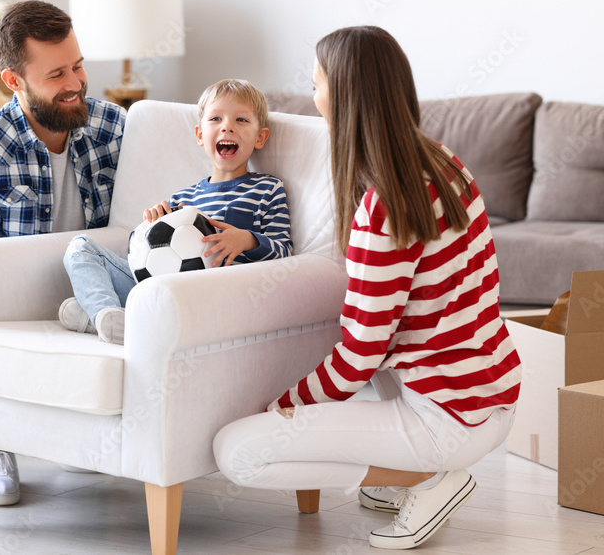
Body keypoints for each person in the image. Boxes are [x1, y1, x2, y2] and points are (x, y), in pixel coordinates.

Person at [212, 27, 522, 551]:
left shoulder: (384, 205)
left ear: (344, 95)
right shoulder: (445, 164)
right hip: (493, 392)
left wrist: (284, 406)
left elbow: (360, 354)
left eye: (316, 85)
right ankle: (406, 470)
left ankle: (428, 478)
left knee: (237, 451)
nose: (313, 97)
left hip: (447, 418)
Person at [0, 0, 126, 507]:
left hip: (93, 294)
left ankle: (70, 429)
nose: (76, 83)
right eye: (56, 74)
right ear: (13, 80)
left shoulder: (115, 126)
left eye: (78, 65)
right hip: (14, 304)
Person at [58, 79, 292, 344]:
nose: (227, 126)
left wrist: (247, 240)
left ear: (260, 137)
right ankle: (108, 315)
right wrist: (148, 227)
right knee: (80, 248)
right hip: (158, 289)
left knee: (76, 306)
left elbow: (285, 252)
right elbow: (142, 259)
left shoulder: (267, 189)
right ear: (201, 135)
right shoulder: (183, 199)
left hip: (208, 300)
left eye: (241, 120)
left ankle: (105, 317)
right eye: (215, 118)